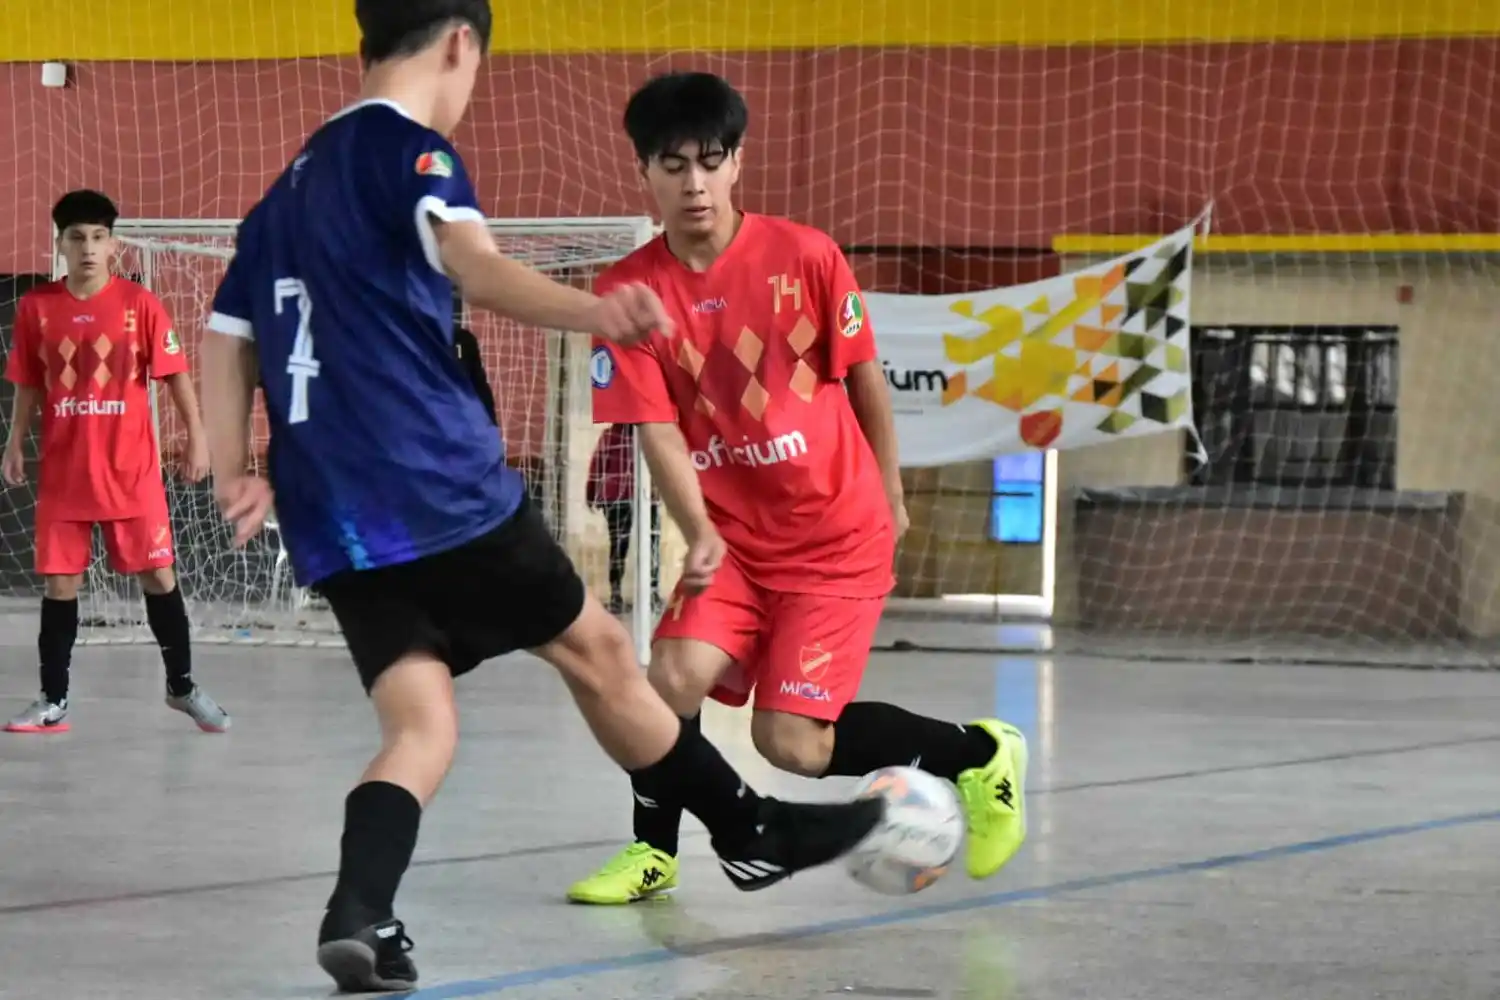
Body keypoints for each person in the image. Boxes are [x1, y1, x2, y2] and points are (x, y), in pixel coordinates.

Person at [198, 4, 883, 992]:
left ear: (364, 43)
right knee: (596, 651)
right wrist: (594, 311)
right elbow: (475, 268)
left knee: (419, 726)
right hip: (435, 482)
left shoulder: (283, 192)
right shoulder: (415, 155)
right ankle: (750, 830)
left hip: (329, 510)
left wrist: (232, 466)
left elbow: (227, 336)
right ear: (460, 42)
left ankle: (360, 912)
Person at [568, 71, 1029, 905]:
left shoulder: (807, 256)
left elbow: (864, 378)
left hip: (834, 539)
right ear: (643, 172)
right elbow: (657, 428)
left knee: (792, 745)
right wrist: (699, 530)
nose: (695, 183)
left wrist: (890, 491)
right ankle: (653, 853)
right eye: (673, 165)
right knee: (667, 680)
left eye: (711, 161)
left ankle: (979, 755)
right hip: (734, 543)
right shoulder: (627, 295)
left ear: (738, 161)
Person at [1, 189, 230, 735]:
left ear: (113, 244)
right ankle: (53, 700)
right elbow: (28, 383)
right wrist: (14, 442)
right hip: (64, 474)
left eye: (98, 237)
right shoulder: (36, 308)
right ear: (61, 244)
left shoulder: (139, 304)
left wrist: (198, 438)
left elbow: (175, 376)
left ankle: (182, 687)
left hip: (131, 472)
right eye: (77, 237)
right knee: (60, 586)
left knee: (159, 574)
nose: (88, 248)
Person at [587, 423, 660, 614]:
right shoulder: (645, 433)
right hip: (635, 495)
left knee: (620, 545)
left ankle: (618, 594)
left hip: (624, 496)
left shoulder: (613, 434)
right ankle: (649, 593)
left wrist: (591, 492)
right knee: (649, 543)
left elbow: (597, 464)